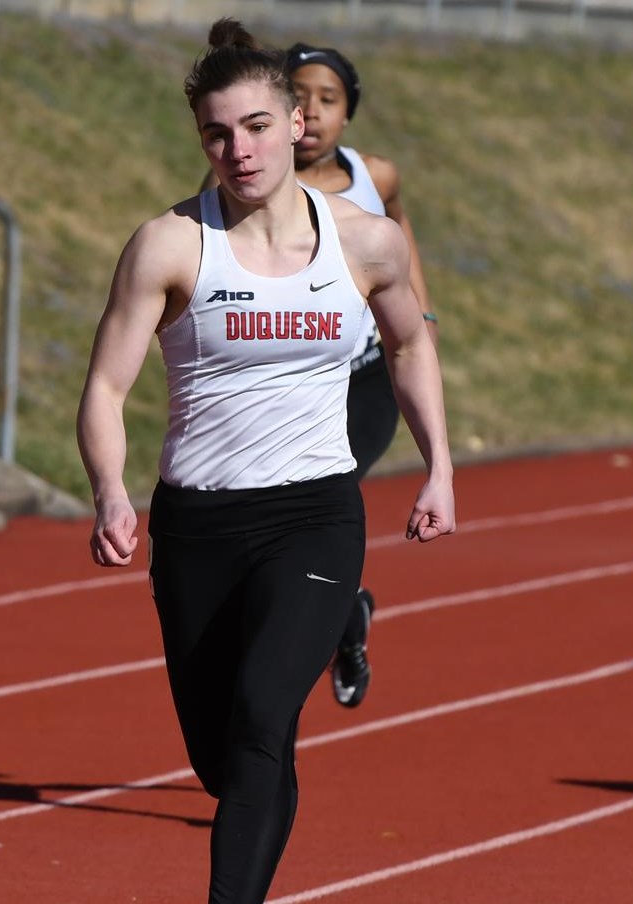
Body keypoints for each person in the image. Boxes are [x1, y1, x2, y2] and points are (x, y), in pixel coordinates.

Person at [77, 19, 454, 904]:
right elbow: (106, 386)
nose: (237, 150)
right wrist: (110, 491)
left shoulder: (365, 242)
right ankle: (326, 649)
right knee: (223, 761)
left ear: (297, 124)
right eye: (216, 133)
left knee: (257, 720)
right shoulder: (169, 245)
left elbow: (410, 343)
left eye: (254, 126)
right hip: (197, 520)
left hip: (313, 512)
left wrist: (437, 465)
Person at [284, 40, 439, 710]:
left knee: (323, 497)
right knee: (285, 521)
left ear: (348, 114)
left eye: (327, 99)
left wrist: (421, 322)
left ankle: (333, 628)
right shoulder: (250, 178)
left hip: (366, 377)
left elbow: (400, 238)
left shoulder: (378, 175)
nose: (310, 112)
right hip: (290, 382)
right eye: (296, 96)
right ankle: (348, 621)